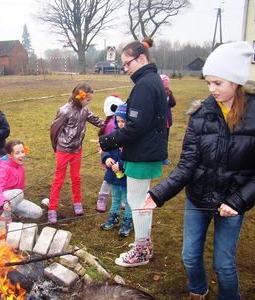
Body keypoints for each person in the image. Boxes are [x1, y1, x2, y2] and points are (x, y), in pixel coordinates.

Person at [142, 42, 255, 300]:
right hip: (198, 199)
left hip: (232, 204)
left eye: (218, 83)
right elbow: (187, 164)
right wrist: (158, 194)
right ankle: (198, 290)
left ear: (236, 81)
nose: (211, 89)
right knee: (190, 257)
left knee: (224, 265)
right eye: (208, 83)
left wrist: (238, 201)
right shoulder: (201, 115)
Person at [99, 38, 168, 267]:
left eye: (127, 64)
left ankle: (140, 251)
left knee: (137, 202)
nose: (125, 69)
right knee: (141, 201)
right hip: (146, 150)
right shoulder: (150, 80)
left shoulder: (146, 84)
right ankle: (144, 244)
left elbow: (136, 126)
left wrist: (107, 140)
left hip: (143, 152)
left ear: (141, 59)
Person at [48, 83, 104, 224]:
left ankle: (77, 202)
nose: (88, 103)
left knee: (76, 177)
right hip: (63, 151)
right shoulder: (64, 110)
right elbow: (54, 129)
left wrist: (109, 126)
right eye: (87, 100)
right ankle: (52, 208)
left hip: (77, 150)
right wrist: (57, 147)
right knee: (58, 179)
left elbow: (96, 120)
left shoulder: (85, 110)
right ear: (79, 97)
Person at [0, 140, 43, 223]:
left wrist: (13, 203)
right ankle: (3, 221)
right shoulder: (1, 168)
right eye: (17, 153)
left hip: (12, 201)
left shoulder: (20, 167)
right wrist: (3, 203)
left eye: (22, 152)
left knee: (37, 212)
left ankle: (11, 212)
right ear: (9, 155)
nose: (22, 155)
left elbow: (20, 189)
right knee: (18, 193)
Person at [100, 104, 133, 237]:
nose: (120, 124)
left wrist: (121, 164)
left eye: (123, 121)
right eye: (118, 121)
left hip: (126, 175)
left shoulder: (132, 138)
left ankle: (127, 221)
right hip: (113, 175)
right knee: (115, 198)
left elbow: (133, 156)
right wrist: (107, 158)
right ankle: (113, 218)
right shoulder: (115, 135)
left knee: (127, 199)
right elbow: (107, 149)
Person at [96, 95, 124, 212]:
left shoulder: (113, 122)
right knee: (109, 179)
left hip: (119, 159)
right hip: (111, 158)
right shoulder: (113, 124)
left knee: (120, 178)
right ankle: (102, 199)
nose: (120, 123)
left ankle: (120, 198)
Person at [160, 74, 176, 165]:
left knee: (161, 140)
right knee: (164, 140)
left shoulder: (158, 93)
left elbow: (173, 103)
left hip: (162, 122)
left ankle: (162, 158)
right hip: (164, 122)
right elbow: (173, 103)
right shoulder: (168, 93)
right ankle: (162, 159)